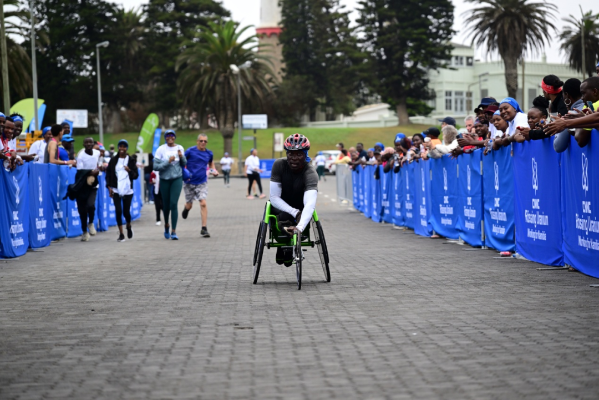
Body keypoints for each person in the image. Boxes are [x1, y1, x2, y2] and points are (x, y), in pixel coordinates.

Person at [269, 134, 318, 266]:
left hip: (300, 206)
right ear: (287, 154)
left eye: (298, 155)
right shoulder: (279, 165)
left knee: (302, 214)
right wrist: (293, 211)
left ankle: (291, 244)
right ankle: (282, 245)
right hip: (281, 205)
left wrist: (300, 227)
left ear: (305, 154)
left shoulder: (310, 172)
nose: (294, 158)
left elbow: (310, 203)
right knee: (284, 214)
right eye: (291, 154)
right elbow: (273, 197)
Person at [182, 133, 218, 238]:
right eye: (201, 141)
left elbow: (211, 164)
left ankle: (204, 228)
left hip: (202, 182)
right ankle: (186, 209)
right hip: (189, 182)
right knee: (190, 205)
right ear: (197, 141)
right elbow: (182, 162)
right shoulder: (190, 151)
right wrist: (184, 172)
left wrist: (214, 171)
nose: (203, 143)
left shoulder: (209, 153)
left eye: (205, 141)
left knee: (203, 203)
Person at [153, 130, 186, 240]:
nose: (170, 137)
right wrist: (168, 162)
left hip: (177, 179)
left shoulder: (180, 148)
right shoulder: (161, 149)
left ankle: (174, 231)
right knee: (166, 205)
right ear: (165, 137)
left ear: (175, 137)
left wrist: (181, 157)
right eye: (168, 136)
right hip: (164, 180)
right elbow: (155, 166)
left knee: (173, 204)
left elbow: (184, 163)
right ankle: (166, 225)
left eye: (172, 135)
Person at [106, 139, 139, 242]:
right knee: (118, 211)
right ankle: (121, 234)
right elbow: (108, 175)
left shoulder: (131, 160)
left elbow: (136, 175)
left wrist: (129, 170)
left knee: (126, 212)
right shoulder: (113, 160)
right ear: (118, 147)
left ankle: (128, 226)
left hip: (128, 190)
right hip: (116, 189)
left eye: (124, 146)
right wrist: (109, 187)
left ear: (126, 148)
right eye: (120, 146)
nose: (122, 148)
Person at [74, 137, 102, 242]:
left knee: (90, 205)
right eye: (87, 142)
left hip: (93, 184)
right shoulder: (81, 156)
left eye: (90, 142)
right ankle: (84, 232)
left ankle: (91, 223)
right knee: (82, 211)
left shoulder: (96, 152)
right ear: (83, 144)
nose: (89, 144)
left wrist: (99, 168)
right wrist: (93, 172)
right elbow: (80, 172)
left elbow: (100, 158)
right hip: (81, 185)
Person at [553, 78, 584, 153]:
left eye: (563, 94)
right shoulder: (590, 108)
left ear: (566, 95)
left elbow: (558, 146)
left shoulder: (571, 116)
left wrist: (558, 128)